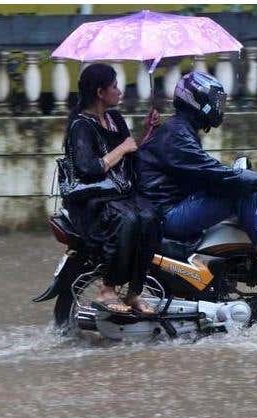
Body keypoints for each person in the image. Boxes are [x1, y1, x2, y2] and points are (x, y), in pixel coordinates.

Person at [136, 71, 257, 282]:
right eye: (214, 101)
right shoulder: (176, 133)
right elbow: (211, 171)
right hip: (167, 214)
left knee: (238, 187)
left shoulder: (181, 129)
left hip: (170, 205)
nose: (218, 107)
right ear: (197, 101)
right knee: (239, 192)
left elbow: (204, 173)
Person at [62, 63, 162, 314]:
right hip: (92, 202)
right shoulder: (81, 126)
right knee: (127, 220)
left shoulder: (115, 119)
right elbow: (88, 169)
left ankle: (134, 292)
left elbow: (131, 152)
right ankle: (107, 289)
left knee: (151, 217)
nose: (120, 91)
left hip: (119, 195)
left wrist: (149, 130)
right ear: (100, 92)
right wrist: (123, 148)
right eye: (115, 86)